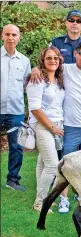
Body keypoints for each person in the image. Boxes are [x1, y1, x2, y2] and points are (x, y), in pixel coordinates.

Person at [30, 40, 81, 213]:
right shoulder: (66, 69)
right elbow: (47, 66)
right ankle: (63, 199)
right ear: (75, 54)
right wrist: (35, 69)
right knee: (66, 165)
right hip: (69, 126)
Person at [26, 46, 65, 212]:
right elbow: (34, 108)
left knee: (43, 161)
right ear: (42, 60)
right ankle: (39, 202)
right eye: (49, 58)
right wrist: (52, 127)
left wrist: (56, 126)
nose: (53, 60)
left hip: (56, 123)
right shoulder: (37, 79)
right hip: (43, 125)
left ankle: (41, 197)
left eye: (56, 58)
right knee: (52, 165)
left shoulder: (58, 80)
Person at [0, 24, 31, 191]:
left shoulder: (25, 61)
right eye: (8, 34)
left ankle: (12, 180)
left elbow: (27, 86)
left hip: (16, 111)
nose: (11, 37)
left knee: (16, 147)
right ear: (2, 36)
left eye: (14, 34)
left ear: (19, 37)